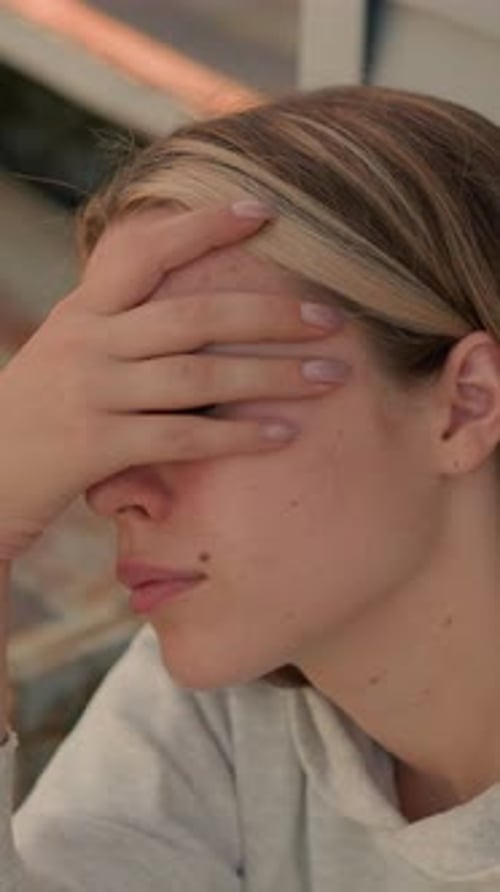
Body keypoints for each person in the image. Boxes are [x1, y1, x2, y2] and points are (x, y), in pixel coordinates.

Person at [0, 82, 499, 890]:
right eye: (119, 410)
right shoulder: (233, 707)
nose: (111, 489)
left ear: (466, 404)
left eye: (196, 400)